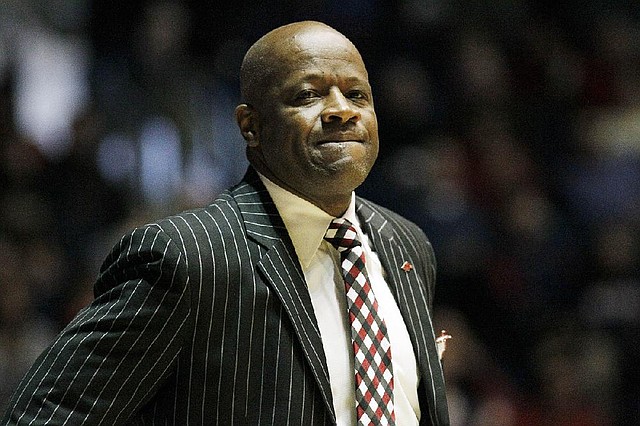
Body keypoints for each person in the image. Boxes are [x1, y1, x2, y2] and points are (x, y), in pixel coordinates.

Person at [2, 21, 449, 425]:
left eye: (357, 95)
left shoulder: (405, 245)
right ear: (250, 126)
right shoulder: (186, 259)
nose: (340, 111)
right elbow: (43, 414)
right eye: (308, 95)